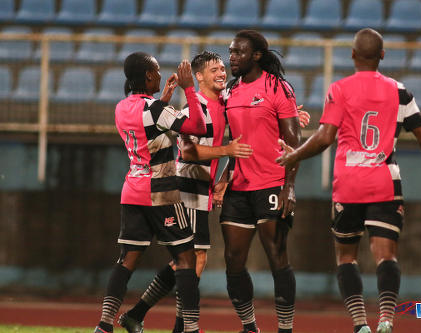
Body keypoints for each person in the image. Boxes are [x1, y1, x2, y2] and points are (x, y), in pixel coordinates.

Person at [276, 28, 421, 333]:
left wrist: (295, 155)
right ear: (382, 56)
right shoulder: (399, 91)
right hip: (384, 182)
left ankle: (361, 324)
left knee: (346, 257)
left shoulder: (339, 89)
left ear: (352, 55)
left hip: (348, 184)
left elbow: (324, 137)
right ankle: (386, 318)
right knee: (386, 255)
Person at [117, 51, 310, 333]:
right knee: (193, 259)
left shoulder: (225, 103)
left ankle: (138, 314)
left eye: (222, 68)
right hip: (188, 184)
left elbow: (250, 126)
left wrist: (286, 117)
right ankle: (180, 325)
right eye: (214, 70)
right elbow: (188, 151)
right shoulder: (195, 108)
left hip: (202, 186)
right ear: (198, 76)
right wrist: (226, 151)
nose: (222, 73)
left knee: (185, 260)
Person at [93, 52, 206, 333]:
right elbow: (198, 127)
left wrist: (164, 100)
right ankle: (190, 328)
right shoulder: (154, 109)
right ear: (147, 76)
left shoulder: (121, 107)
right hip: (161, 190)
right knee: (186, 258)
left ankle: (105, 325)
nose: (159, 75)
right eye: (155, 71)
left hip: (132, 188)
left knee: (127, 259)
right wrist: (189, 87)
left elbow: (147, 131)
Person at [216, 29, 301, 333]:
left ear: (256, 56)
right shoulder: (229, 91)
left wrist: (289, 186)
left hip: (272, 183)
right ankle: (250, 327)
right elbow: (234, 141)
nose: (231, 57)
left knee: (277, 255)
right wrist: (225, 177)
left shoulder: (278, 87)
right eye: (230, 51)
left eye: (238, 52)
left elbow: (294, 141)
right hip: (239, 187)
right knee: (233, 260)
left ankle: (285, 328)